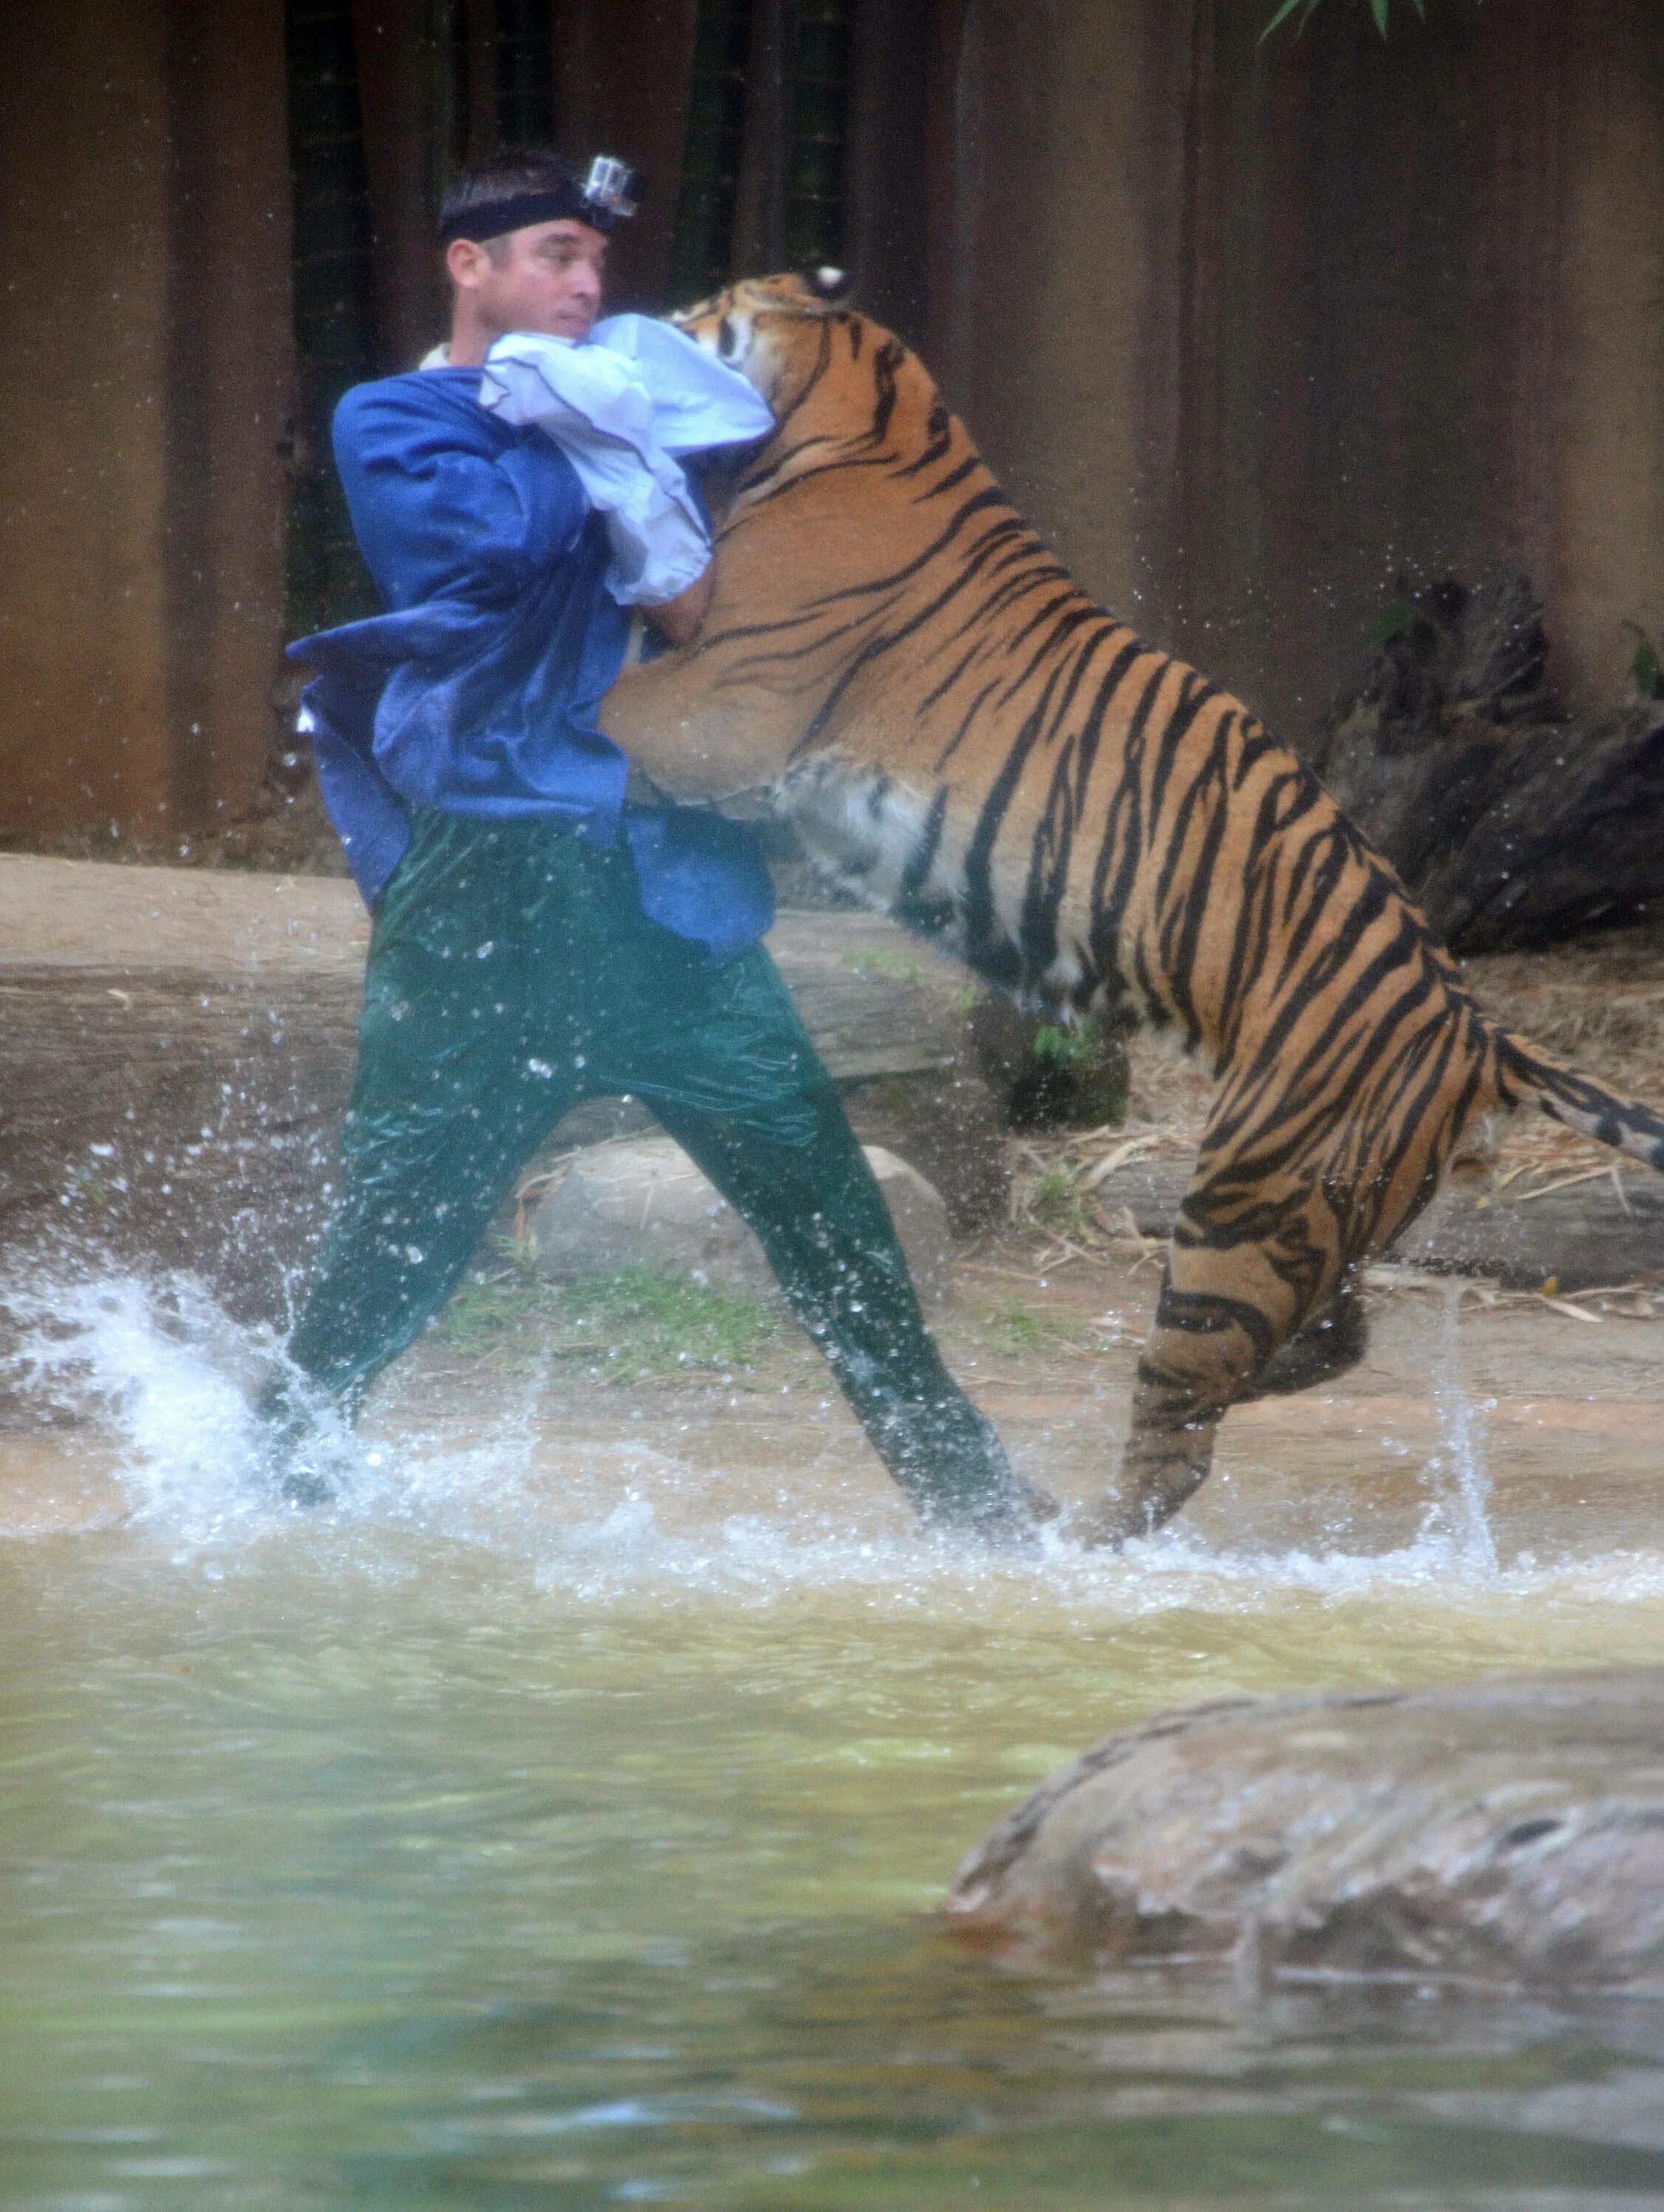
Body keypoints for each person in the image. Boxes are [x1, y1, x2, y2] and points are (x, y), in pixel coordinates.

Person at [271, 148, 1051, 1540]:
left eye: (595, 266)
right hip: (490, 884)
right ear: (472, 266)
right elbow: (488, 557)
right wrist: (607, 434)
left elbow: (715, 596)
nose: (587, 289)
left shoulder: (620, 410)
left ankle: (975, 1502)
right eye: (558, 257)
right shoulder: (394, 418)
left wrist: (636, 434)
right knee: (403, 1229)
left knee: (824, 1205)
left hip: (664, 889)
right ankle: (268, 1479)